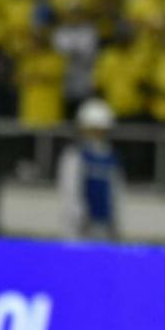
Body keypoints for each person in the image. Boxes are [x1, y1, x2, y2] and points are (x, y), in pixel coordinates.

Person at [57, 97, 122, 241]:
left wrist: (115, 223)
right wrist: (75, 219)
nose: (96, 135)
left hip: (103, 224)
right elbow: (70, 190)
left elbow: (115, 192)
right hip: (81, 225)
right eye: (92, 130)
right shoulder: (75, 155)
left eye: (100, 131)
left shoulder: (110, 156)